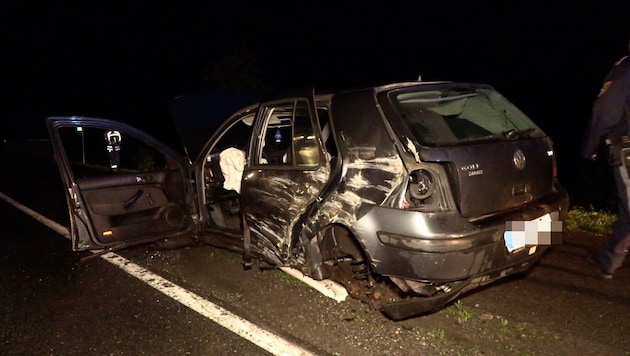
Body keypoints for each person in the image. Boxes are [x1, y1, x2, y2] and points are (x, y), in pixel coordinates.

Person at [582, 35, 630, 279]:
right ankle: (609, 259)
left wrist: (591, 145)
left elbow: (605, 110)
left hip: (627, 147)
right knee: (627, 205)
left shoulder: (625, 68)